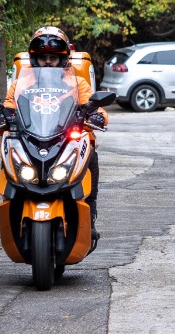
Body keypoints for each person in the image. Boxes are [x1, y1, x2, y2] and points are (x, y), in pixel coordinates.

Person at [6, 26, 106, 243]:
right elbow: (8, 107)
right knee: (8, 156)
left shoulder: (77, 83)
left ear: (64, 59)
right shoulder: (20, 84)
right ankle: (12, 209)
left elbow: (94, 106)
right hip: (31, 138)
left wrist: (97, 115)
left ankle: (91, 211)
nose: (48, 62)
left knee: (91, 156)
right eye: (43, 58)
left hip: (64, 138)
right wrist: (2, 117)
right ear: (34, 59)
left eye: (53, 57)